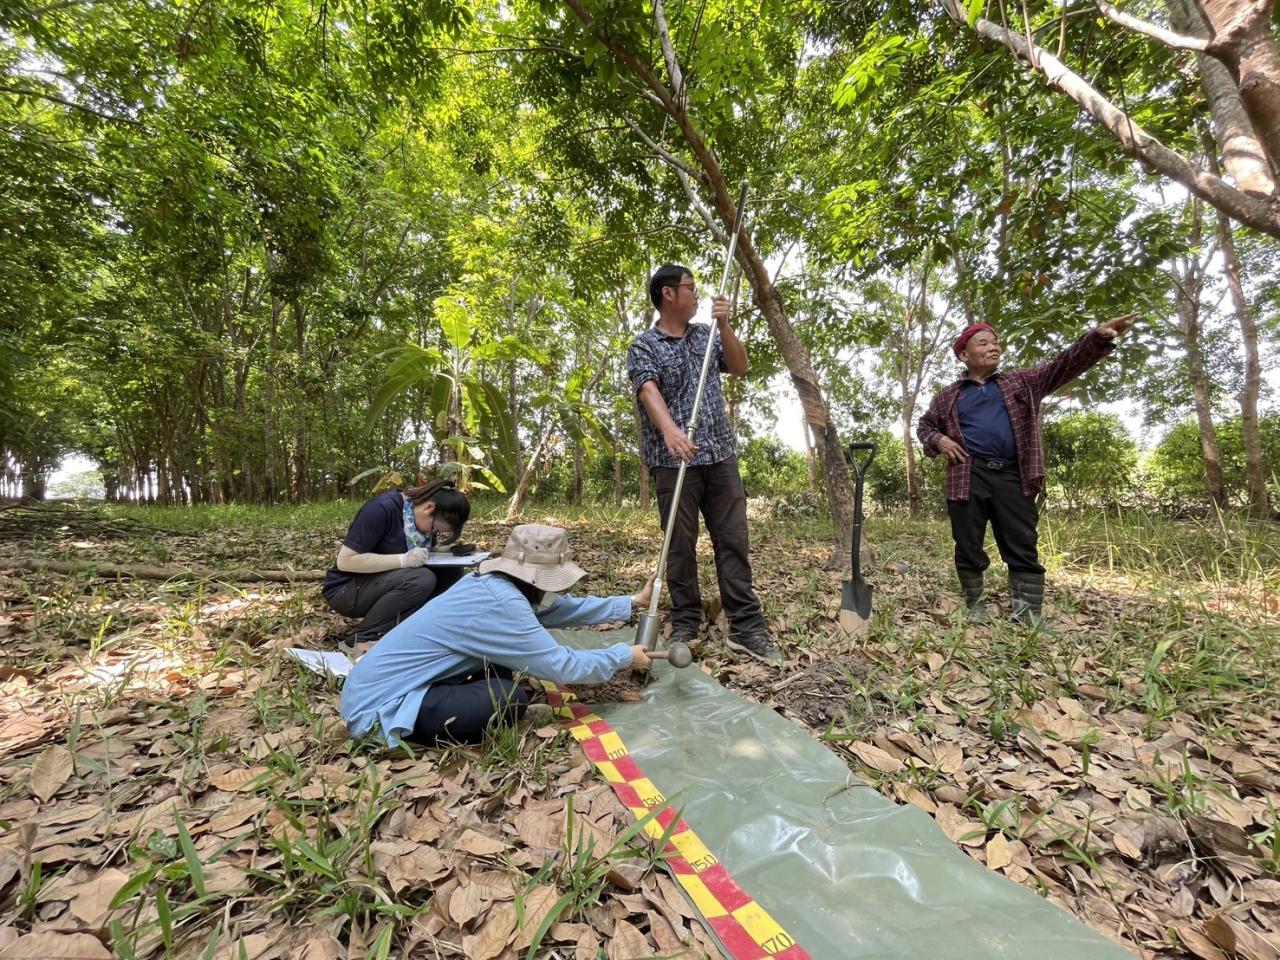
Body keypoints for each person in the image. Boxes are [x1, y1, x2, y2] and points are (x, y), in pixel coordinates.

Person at [339, 523, 659, 747]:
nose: (558, 589)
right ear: (534, 580)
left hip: (373, 688)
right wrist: (623, 655)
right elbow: (562, 665)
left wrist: (631, 603)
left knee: (502, 670)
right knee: (509, 698)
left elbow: (559, 610)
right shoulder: (502, 604)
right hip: (378, 710)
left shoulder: (492, 586)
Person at [917, 315, 1135, 626]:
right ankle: (975, 605)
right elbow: (925, 426)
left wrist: (1097, 339)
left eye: (995, 342)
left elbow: (1063, 365)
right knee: (967, 542)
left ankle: (1027, 614)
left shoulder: (1020, 382)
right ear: (964, 355)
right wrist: (939, 440)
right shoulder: (948, 395)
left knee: (1021, 543)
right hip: (967, 474)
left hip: (1012, 475)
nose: (994, 347)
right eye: (984, 343)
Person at [626, 263, 780, 663]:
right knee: (679, 544)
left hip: (720, 454)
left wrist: (725, 325)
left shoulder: (705, 335)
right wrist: (670, 431)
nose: (696, 295)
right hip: (672, 460)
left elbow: (740, 366)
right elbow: (647, 388)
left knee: (733, 538)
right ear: (668, 295)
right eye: (690, 288)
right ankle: (687, 619)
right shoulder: (645, 344)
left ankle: (746, 625)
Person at [321, 478, 471, 643]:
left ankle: (416, 627)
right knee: (421, 579)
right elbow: (346, 561)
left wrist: (449, 552)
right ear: (429, 507)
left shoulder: (419, 518)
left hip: (384, 581)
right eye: (434, 528)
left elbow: (420, 552)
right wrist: (403, 560)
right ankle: (363, 637)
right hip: (346, 588)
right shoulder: (381, 509)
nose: (432, 533)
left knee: (452, 571)